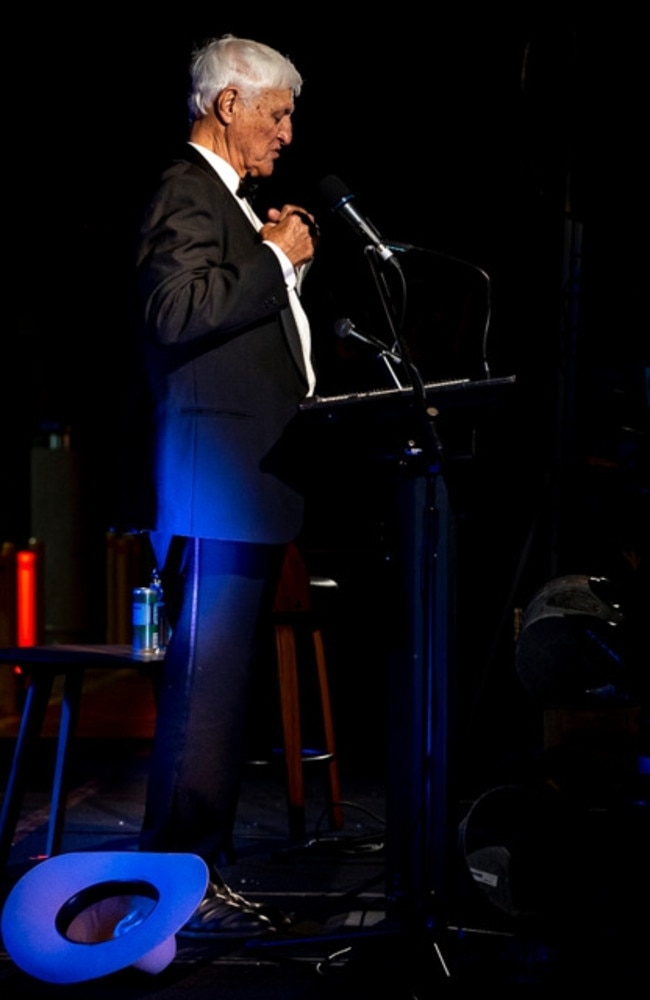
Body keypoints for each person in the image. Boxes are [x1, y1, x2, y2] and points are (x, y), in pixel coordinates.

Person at [130, 34, 319, 939]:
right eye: (276, 114)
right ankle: (172, 879)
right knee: (204, 693)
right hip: (215, 484)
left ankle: (197, 869)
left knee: (220, 694)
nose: (286, 133)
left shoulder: (226, 202)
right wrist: (274, 260)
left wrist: (281, 266)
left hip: (243, 485)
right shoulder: (187, 188)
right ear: (227, 104)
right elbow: (176, 313)